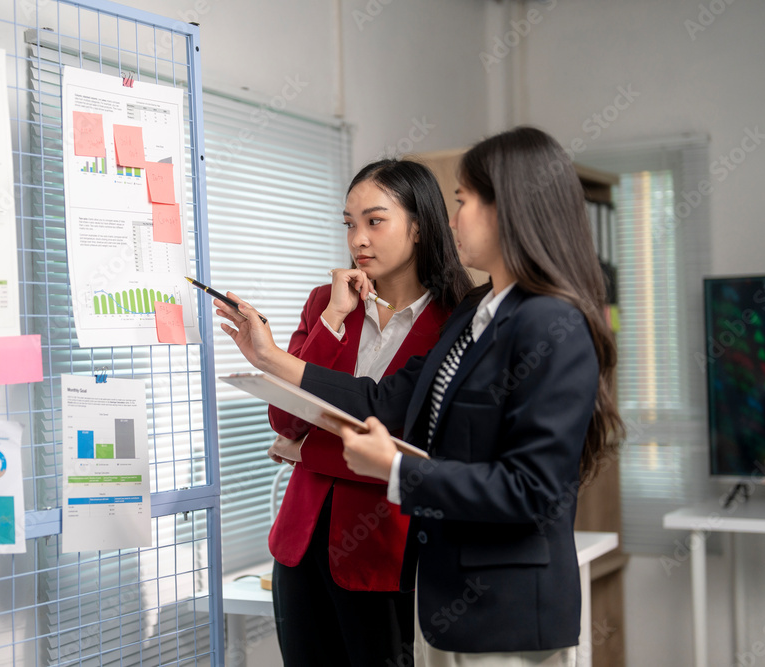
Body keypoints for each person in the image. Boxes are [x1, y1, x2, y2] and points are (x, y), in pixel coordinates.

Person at [216, 127, 622, 666]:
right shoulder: (480, 311)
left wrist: (364, 463)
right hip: (446, 592)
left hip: (491, 602)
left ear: (511, 208)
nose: (452, 219)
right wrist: (271, 358)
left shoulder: (543, 321)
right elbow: (388, 405)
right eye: (349, 224)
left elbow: (524, 485)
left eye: (463, 201)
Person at [266, 158, 473, 666]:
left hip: (387, 547)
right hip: (300, 543)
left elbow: (412, 436)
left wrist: (307, 450)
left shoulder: (455, 319)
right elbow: (285, 421)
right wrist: (334, 318)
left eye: (375, 221)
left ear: (420, 226)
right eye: (349, 223)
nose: (358, 238)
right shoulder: (326, 301)